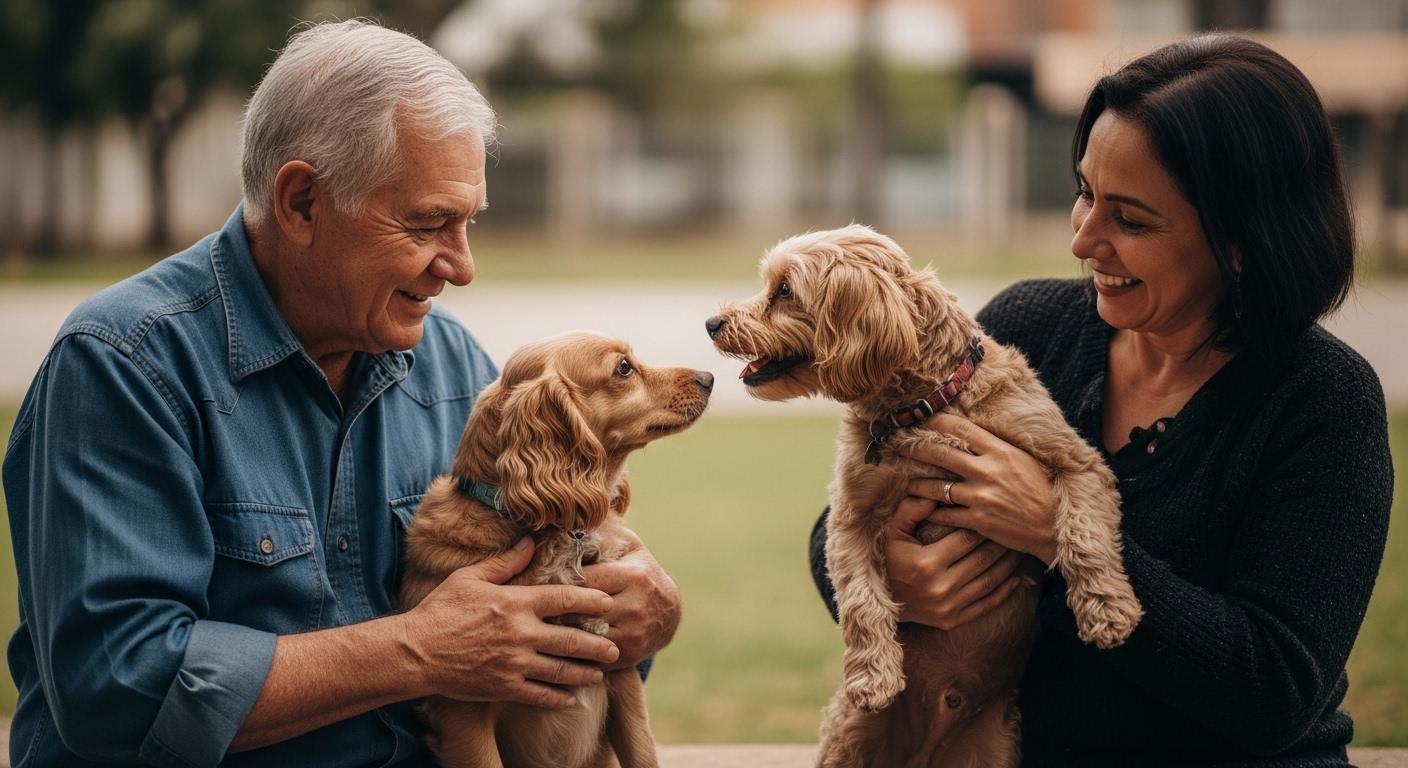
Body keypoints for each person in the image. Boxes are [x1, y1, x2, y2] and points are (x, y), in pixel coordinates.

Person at [2, 20, 680, 767]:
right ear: (300, 204)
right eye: (429, 223)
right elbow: (116, 688)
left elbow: (528, 644)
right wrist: (417, 651)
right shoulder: (124, 364)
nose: (461, 266)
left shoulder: (453, 366)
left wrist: (636, 613)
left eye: (468, 223)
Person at [809, 34, 1393, 766]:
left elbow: (1272, 690)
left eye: (1131, 219)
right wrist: (904, 583)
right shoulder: (1028, 328)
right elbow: (838, 529)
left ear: (1243, 239)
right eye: (1085, 192)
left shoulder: (1320, 400)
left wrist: (1057, 535)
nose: (1083, 240)